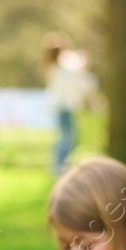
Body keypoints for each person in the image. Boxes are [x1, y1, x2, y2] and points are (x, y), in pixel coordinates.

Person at [42, 33, 93, 176]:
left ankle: (60, 165)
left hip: (64, 106)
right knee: (68, 137)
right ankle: (59, 166)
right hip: (64, 106)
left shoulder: (58, 66)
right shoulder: (59, 67)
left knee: (67, 137)